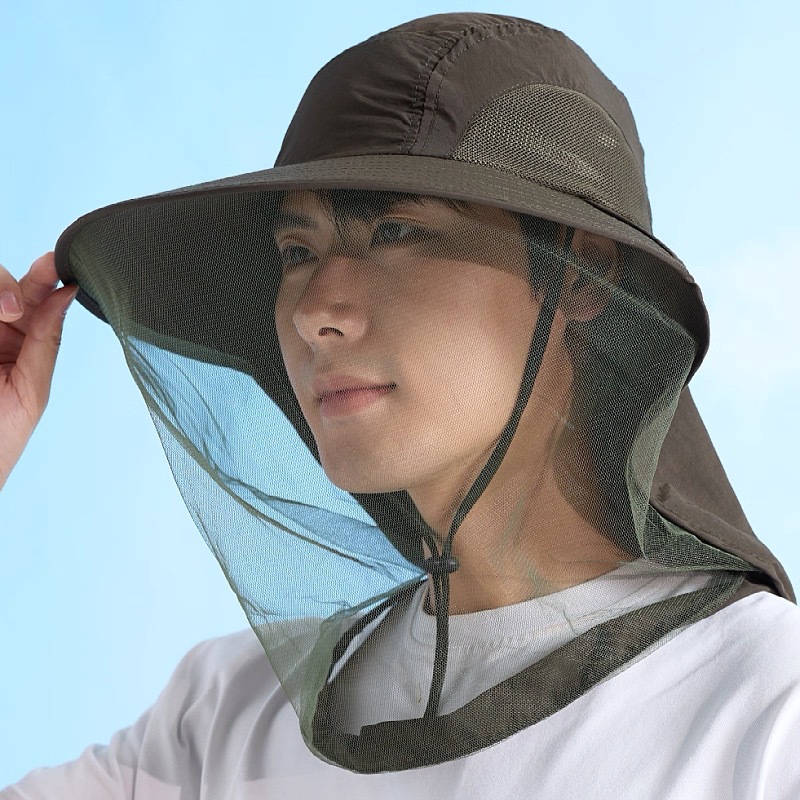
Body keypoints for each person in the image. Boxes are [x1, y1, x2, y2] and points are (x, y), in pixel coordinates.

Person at [2, 11, 799, 799]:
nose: (316, 311)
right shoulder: (223, 718)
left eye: (394, 233)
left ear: (581, 275)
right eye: (297, 251)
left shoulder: (765, 710)